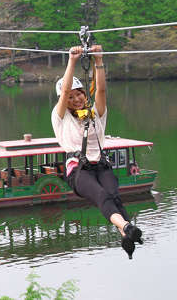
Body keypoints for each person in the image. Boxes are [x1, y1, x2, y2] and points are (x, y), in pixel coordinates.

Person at [52, 44, 143, 259]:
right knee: (101, 195)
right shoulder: (60, 117)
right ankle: (127, 228)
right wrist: (72, 61)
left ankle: (126, 233)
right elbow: (64, 91)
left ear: (84, 94)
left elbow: (101, 90)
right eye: (71, 97)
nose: (76, 99)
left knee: (114, 197)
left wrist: (99, 60)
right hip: (78, 170)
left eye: (79, 95)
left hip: (101, 164)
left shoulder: (95, 114)